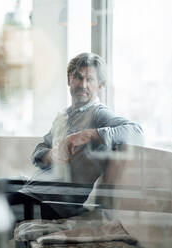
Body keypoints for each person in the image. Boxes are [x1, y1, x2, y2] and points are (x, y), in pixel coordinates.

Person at [32, 52, 144, 183]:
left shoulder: (98, 113)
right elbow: (39, 150)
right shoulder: (64, 116)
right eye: (78, 77)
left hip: (54, 198)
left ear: (100, 85)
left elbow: (137, 132)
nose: (83, 85)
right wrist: (50, 155)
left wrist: (86, 135)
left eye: (90, 79)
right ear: (69, 79)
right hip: (36, 187)